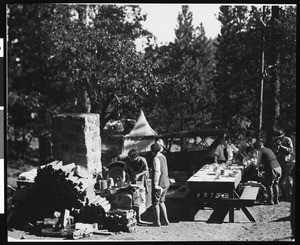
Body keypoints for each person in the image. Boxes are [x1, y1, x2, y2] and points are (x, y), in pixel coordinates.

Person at [122, 149, 149, 224]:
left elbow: (146, 170)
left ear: (135, 157)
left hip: (141, 179)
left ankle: (139, 217)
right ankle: (134, 216)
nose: (130, 159)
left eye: (131, 158)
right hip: (132, 178)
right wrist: (124, 179)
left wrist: (138, 175)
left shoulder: (142, 160)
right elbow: (124, 169)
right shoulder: (128, 160)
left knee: (140, 197)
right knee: (133, 197)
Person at [253, 140, 282, 205]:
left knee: (268, 185)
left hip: (271, 168)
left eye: (256, 149)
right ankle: (276, 200)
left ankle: (270, 201)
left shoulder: (260, 151)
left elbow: (258, 163)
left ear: (257, 147)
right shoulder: (268, 149)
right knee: (275, 184)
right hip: (278, 167)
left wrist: (255, 166)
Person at [150, 143, 170, 227]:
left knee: (155, 203)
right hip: (166, 182)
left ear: (152, 151)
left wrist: (155, 184)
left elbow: (157, 172)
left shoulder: (156, 158)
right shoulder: (163, 157)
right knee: (162, 202)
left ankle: (157, 221)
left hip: (160, 183)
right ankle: (166, 220)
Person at [271, 129, 294, 200]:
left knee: (288, 180)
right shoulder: (274, 141)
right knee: (280, 180)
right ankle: (283, 195)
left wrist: (281, 146)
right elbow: (273, 151)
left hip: (287, 163)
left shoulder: (287, 140)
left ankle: (289, 195)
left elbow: (290, 150)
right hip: (279, 162)